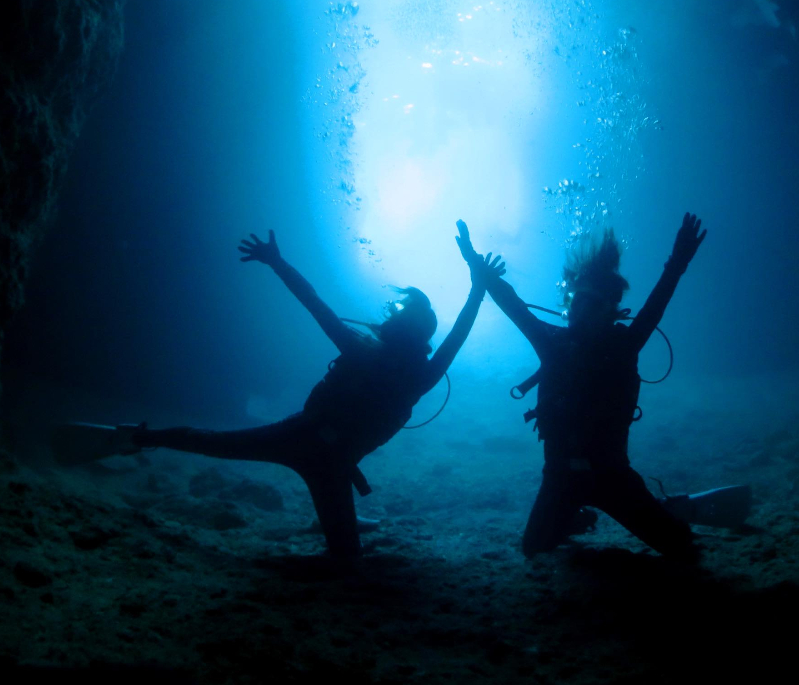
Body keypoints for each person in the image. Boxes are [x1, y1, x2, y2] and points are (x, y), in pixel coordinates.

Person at [98, 226, 501, 560]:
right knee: (345, 558)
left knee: (213, 443)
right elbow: (459, 333)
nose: (387, 314)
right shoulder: (422, 375)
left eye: (395, 312)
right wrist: (478, 286)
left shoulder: (362, 350)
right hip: (326, 457)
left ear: (401, 328)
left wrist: (277, 262)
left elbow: (315, 303)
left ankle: (137, 437)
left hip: (309, 446)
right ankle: (138, 437)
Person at [456, 215, 706, 562]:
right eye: (577, 301)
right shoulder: (552, 342)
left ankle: (666, 511)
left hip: (613, 476)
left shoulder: (623, 346)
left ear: (611, 311)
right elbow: (515, 306)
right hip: (559, 477)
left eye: (593, 304)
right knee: (534, 549)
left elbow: (654, 308)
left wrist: (677, 264)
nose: (580, 311)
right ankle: (573, 519)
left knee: (683, 549)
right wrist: (476, 263)